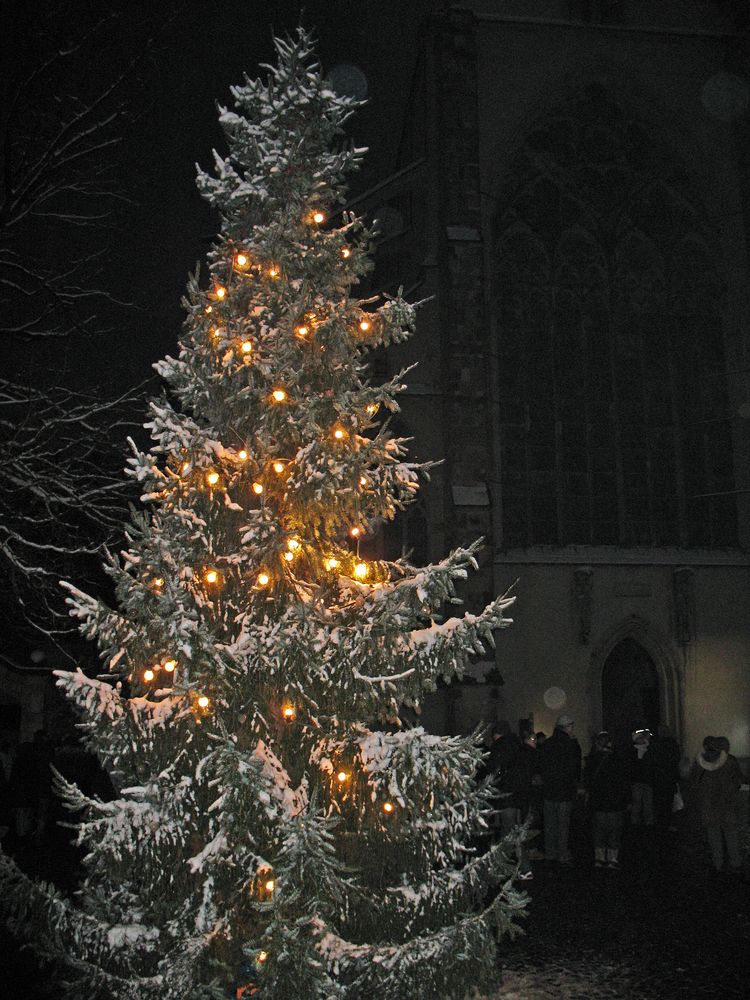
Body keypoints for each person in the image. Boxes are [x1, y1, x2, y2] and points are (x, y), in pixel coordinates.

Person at [690, 735, 743, 875]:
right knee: (731, 835)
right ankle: (735, 863)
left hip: (708, 807)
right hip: (727, 806)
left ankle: (718, 863)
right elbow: (738, 780)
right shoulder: (730, 761)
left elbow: (694, 783)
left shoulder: (699, 762)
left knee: (713, 836)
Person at [538, 714, 581, 867]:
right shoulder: (570, 745)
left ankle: (550, 853)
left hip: (549, 791)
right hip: (564, 791)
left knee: (550, 824)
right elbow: (574, 769)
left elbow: (541, 766)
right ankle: (562, 854)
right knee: (563, 825)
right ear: (567, 727)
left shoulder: (547, 744)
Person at [583, 731, 629, 869]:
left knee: (599, 830)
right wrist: (626, 800)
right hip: (615, 801)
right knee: (614, 830)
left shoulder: (592, 760)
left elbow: (588, 781)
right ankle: (612, 858)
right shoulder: (618, 761)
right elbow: (624, 782)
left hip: (598, 800)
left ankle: (599, 857)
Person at [629, 728, 656, 828]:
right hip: (637, 780)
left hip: (647, 780)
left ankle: (648, 821)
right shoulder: (633, 751)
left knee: (648, 803)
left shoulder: (649, 750)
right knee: (637, 803)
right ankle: (635, 821)